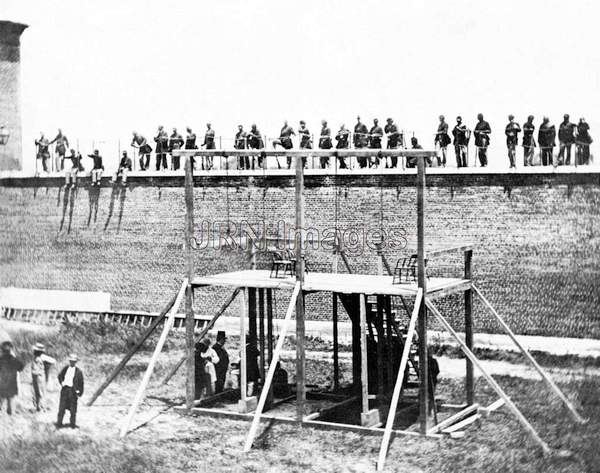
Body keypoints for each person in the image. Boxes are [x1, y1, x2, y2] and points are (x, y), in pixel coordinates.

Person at [56, 353, 84, 428]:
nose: (72, 362)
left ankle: (72, 425)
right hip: (65, 390)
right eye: (71, 361)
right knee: (62, 408)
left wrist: (79, 391)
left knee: (73, 409)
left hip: (73, 391)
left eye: (74, 361)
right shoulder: (65, 369)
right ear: (69, 361)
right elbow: (60, 376)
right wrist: (62, 383)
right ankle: (59, 424)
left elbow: (81, 383)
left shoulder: (78, 372)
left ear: (76, 362)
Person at [0, 341, 24, 415]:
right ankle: (10, 416)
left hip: (2, 384)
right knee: (11, 402)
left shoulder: (0, 360)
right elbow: (21, 367)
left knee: (1, 401)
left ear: (2, 350)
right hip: (12, 384)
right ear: (10, 350)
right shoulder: (14, 360)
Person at [31, 343, 56, 412]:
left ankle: (42, 407)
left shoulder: (43, 357)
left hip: (40, 376)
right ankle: (38, 407)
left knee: (41, 392)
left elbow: (53, 361)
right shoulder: (35, 357)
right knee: (36, 392)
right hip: (35, 376)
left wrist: (46, 365)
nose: (35, 351)